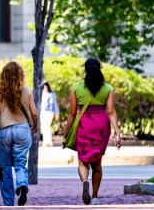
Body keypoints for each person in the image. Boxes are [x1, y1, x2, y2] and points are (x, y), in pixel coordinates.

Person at [63, 58, 122, 206]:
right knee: (97, 165)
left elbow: (71, 113)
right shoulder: (108, 89)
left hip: (84, 125)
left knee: (83, 161)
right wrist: (117, 132)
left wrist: (66, 133)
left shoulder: (76, 87)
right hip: (101, 126)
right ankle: (95, 196)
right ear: (100, 69)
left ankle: (85, 181)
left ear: (86, 69)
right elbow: (110, 111)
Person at [0, 61, 38, 206]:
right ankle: (21, 185)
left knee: (5, 166)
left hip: (4, 131)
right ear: (20, 74)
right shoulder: (26, 90)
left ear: (4, 75)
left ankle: (8, 202)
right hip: (22, 129)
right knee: (20, 162)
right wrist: (35, 126)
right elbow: (34, 112)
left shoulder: (1, 92)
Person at [40, 82, 60, 147]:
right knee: (43, 127)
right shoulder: (40, 94)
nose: (44, 87)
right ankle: (45, 141)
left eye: (45, 86)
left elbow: (55, 104)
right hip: (42, 112)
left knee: (47, 125)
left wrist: (57, 113)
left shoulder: (51, 94)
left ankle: (49, 142)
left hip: (49, 112)